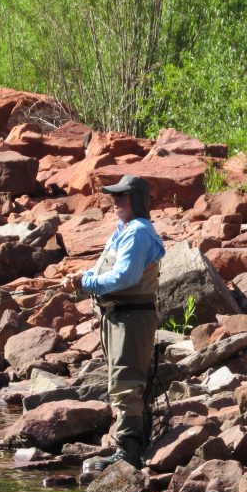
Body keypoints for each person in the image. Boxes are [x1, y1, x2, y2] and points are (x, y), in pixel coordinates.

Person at [61, 175, 166, 472]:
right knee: (121, 379)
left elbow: (125, 277)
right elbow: (105, 270)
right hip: (118, 316)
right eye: (114, 195)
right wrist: (82, 276)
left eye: (122, 195)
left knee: (125, 382)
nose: (115, 200)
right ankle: (133, 442)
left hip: (131, 318)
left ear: (138, 200)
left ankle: (129, 452)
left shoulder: (138, 232)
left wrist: (85, 284)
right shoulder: (124, 230)